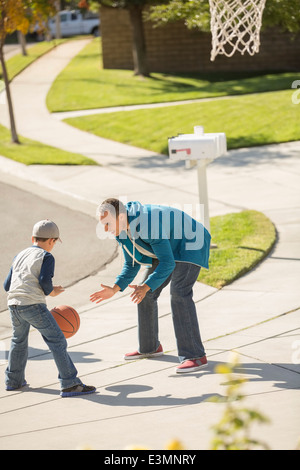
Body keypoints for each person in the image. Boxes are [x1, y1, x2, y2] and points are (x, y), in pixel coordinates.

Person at [90, 198, 211, 373]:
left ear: (122, 216)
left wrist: (147, 286)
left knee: (179, 293)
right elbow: (132, 263)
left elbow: (168, 263)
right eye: (104, 225)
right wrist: (115, 288)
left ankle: (195, 356)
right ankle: (150, 347)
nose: (106, 230)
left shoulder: (147, 224)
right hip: (167, 247)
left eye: (108, 224)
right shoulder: (121, 231)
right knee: (144, 293)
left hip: (189, 242)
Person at [3, 219, 96, 397]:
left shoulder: (20, 255)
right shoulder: (46, 256)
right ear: (52, 240)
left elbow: (7, 285)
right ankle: (70, 384)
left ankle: (13, 381)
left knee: (18, 341)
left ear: (33, 238)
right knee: (57, 341)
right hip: (33, 305)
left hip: (14, 305)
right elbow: (45, 281)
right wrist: (51, 292)